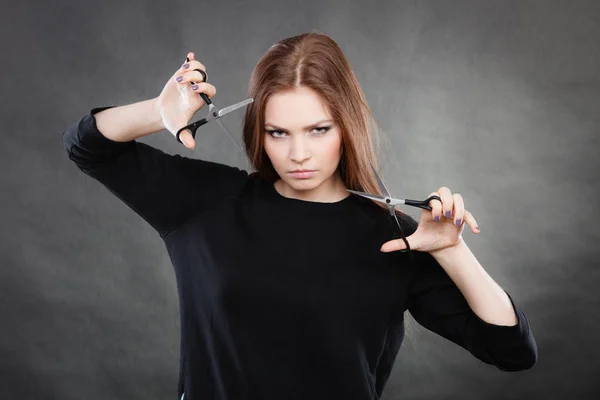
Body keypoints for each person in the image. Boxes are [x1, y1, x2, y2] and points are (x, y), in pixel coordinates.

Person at [62, 32, 537, 400]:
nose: (298, 153)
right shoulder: (205, 203)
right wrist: (158, 111)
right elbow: (89, 147)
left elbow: (512, 352)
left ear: (345, 126)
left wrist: (454, 252)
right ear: (259, 132)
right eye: (278, 132)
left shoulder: (394, 239)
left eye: (317, 129)